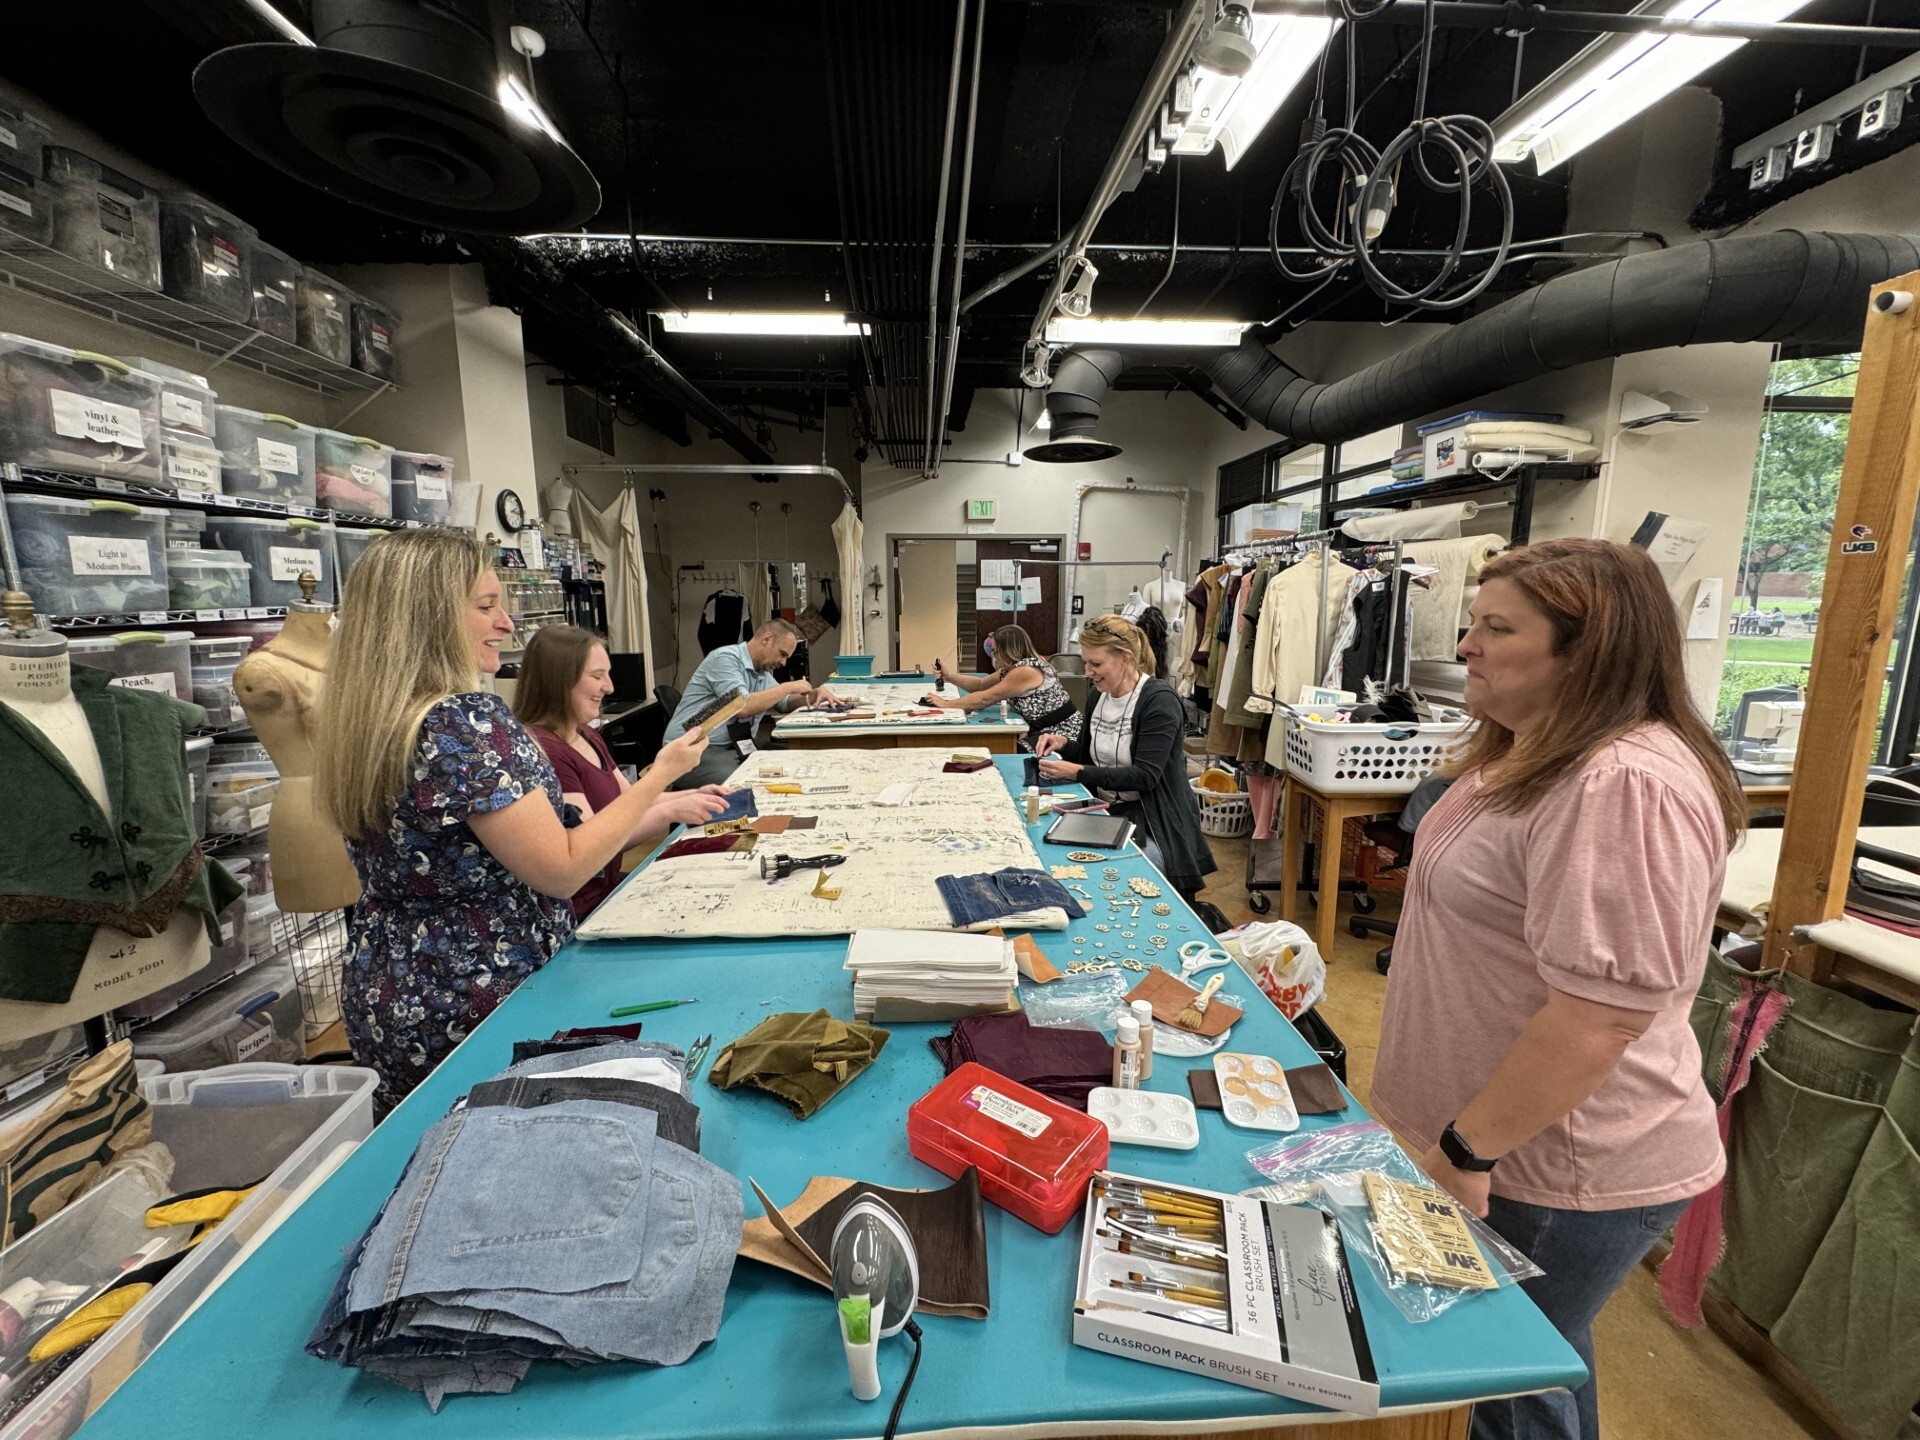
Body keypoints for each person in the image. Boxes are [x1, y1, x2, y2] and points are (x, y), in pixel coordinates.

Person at [1368, 539, 1744, 1440]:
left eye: (1497, 629)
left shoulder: (1621, 783)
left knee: (1506, 1385)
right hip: (1500, 1142)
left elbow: (1600, 1018)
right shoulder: (1527, 751)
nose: (1466, 646)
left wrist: (1466, 1151)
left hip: (1551, 1161)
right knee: (1537, 1366)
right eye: (1473, 623)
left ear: (1589, 650)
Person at [314, 530, 710, 1111]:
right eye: (484, 606)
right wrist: (660, 776)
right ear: (427, 616)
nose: (505, 623)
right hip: (478, 995)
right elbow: (562, 870)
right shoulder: (463, 723)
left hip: (393, 985)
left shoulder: (366, 722)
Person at [513, 625, 733, 918]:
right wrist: (671, 801)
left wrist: (694, 795)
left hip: (610, 890)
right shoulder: (547, 751)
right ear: (558, 680)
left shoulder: (586, 735)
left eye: (608, 674)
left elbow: (631, 799)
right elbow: (592, 849)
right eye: (596, 676)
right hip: (582, 910)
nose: (610, 687)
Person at [1035, 613, 1215, 896]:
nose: (1087, 671)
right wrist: (1062, 744)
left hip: (1154, 823)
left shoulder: (1159, 702)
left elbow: (1144, 776)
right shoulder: (1099, 694)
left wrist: (1077, 772)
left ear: (1125, 658)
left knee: (1119, 879)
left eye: (1096, 663)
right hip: (1107, 813)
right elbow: (1089, 753)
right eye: (1085, 662)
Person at [664, 620, 835, 789]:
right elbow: (742, 707)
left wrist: (813, 695)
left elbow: (784, 702)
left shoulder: (761, 671)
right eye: (782, 654)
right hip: (691, 750)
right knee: (744, 786)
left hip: (734, 746)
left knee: (794, 765)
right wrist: (788, 686)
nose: (783, 663)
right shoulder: (724, 659)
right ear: (766, 639)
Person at [921, 624, 1083, 750]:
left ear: (1008, 651)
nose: (994, 656)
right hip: (1042, 730)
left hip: (1062, 733)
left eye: (996, 652)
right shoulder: (1011, 668)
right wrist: (949, 676)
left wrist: (947, 705)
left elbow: (986, 697)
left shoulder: (1027, 670)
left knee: (1012, 752)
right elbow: (980, 685)